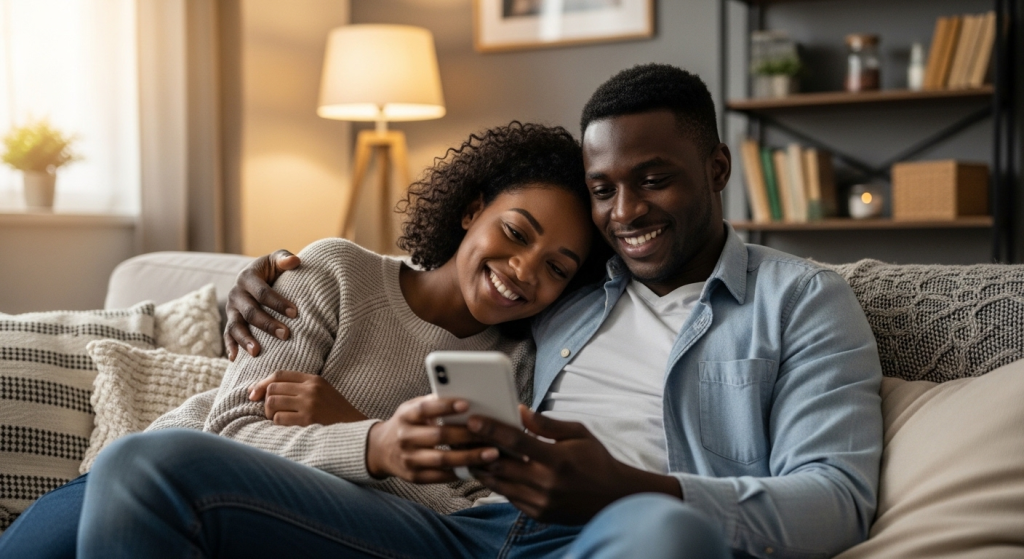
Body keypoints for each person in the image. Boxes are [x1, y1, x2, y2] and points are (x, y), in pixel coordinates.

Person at [76, 64, 883, 559]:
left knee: (670, 539)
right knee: (146, 465)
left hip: (616, 535)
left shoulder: (804, 300)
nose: (625, 210)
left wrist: (631, 489)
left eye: (655, 178)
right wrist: (259, 277)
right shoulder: (573, 287)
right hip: (451, 531)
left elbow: (838, 499)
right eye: (604, 189)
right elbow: (431, 289)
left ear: (716, 168)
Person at [0, 122, 607, 557]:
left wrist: (358, 428)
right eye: (515, 232)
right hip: (152, 484)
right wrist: (375, 445)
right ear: (472, 209)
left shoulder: (519, 366)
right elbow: (233, 430)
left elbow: (466, 519)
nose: (524, 270)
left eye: (557, 267)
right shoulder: (336, 272)